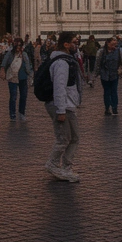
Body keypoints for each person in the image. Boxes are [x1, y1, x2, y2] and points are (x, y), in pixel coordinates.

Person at [44, 32, 83, 182]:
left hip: (68, 104)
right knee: (64, 138)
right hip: (62, 105)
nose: (76, 45)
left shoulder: (66, 59)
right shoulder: (61, 62)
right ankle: (53, 164)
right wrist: (60, 110)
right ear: (66, 44)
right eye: (74, 42)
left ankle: (66, 167)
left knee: (74, 137)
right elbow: (59, 87)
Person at [0, 38, 33, 121]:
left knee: (23, 96)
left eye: (20, 45)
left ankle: (22, 113)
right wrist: (2, 70)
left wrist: (30, 74)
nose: (18, 47)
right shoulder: (10, 54)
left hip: (23, 77)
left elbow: (28, 65)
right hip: (12, 77)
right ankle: (12, 114)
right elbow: (4, 63)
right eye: (17, 45)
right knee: (13, 96)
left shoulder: (24, 54)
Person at [97, 37, 122, 116]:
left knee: (114, 91)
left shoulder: (118, 51)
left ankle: (114, 107)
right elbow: (98, 64)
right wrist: (94, 76)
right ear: (108, 43)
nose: (114, 46)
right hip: (104, 75)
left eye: (115, 45)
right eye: (112, 44)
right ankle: (107, 108)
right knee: (107, 92)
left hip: (114, 74)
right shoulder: (101, 52)